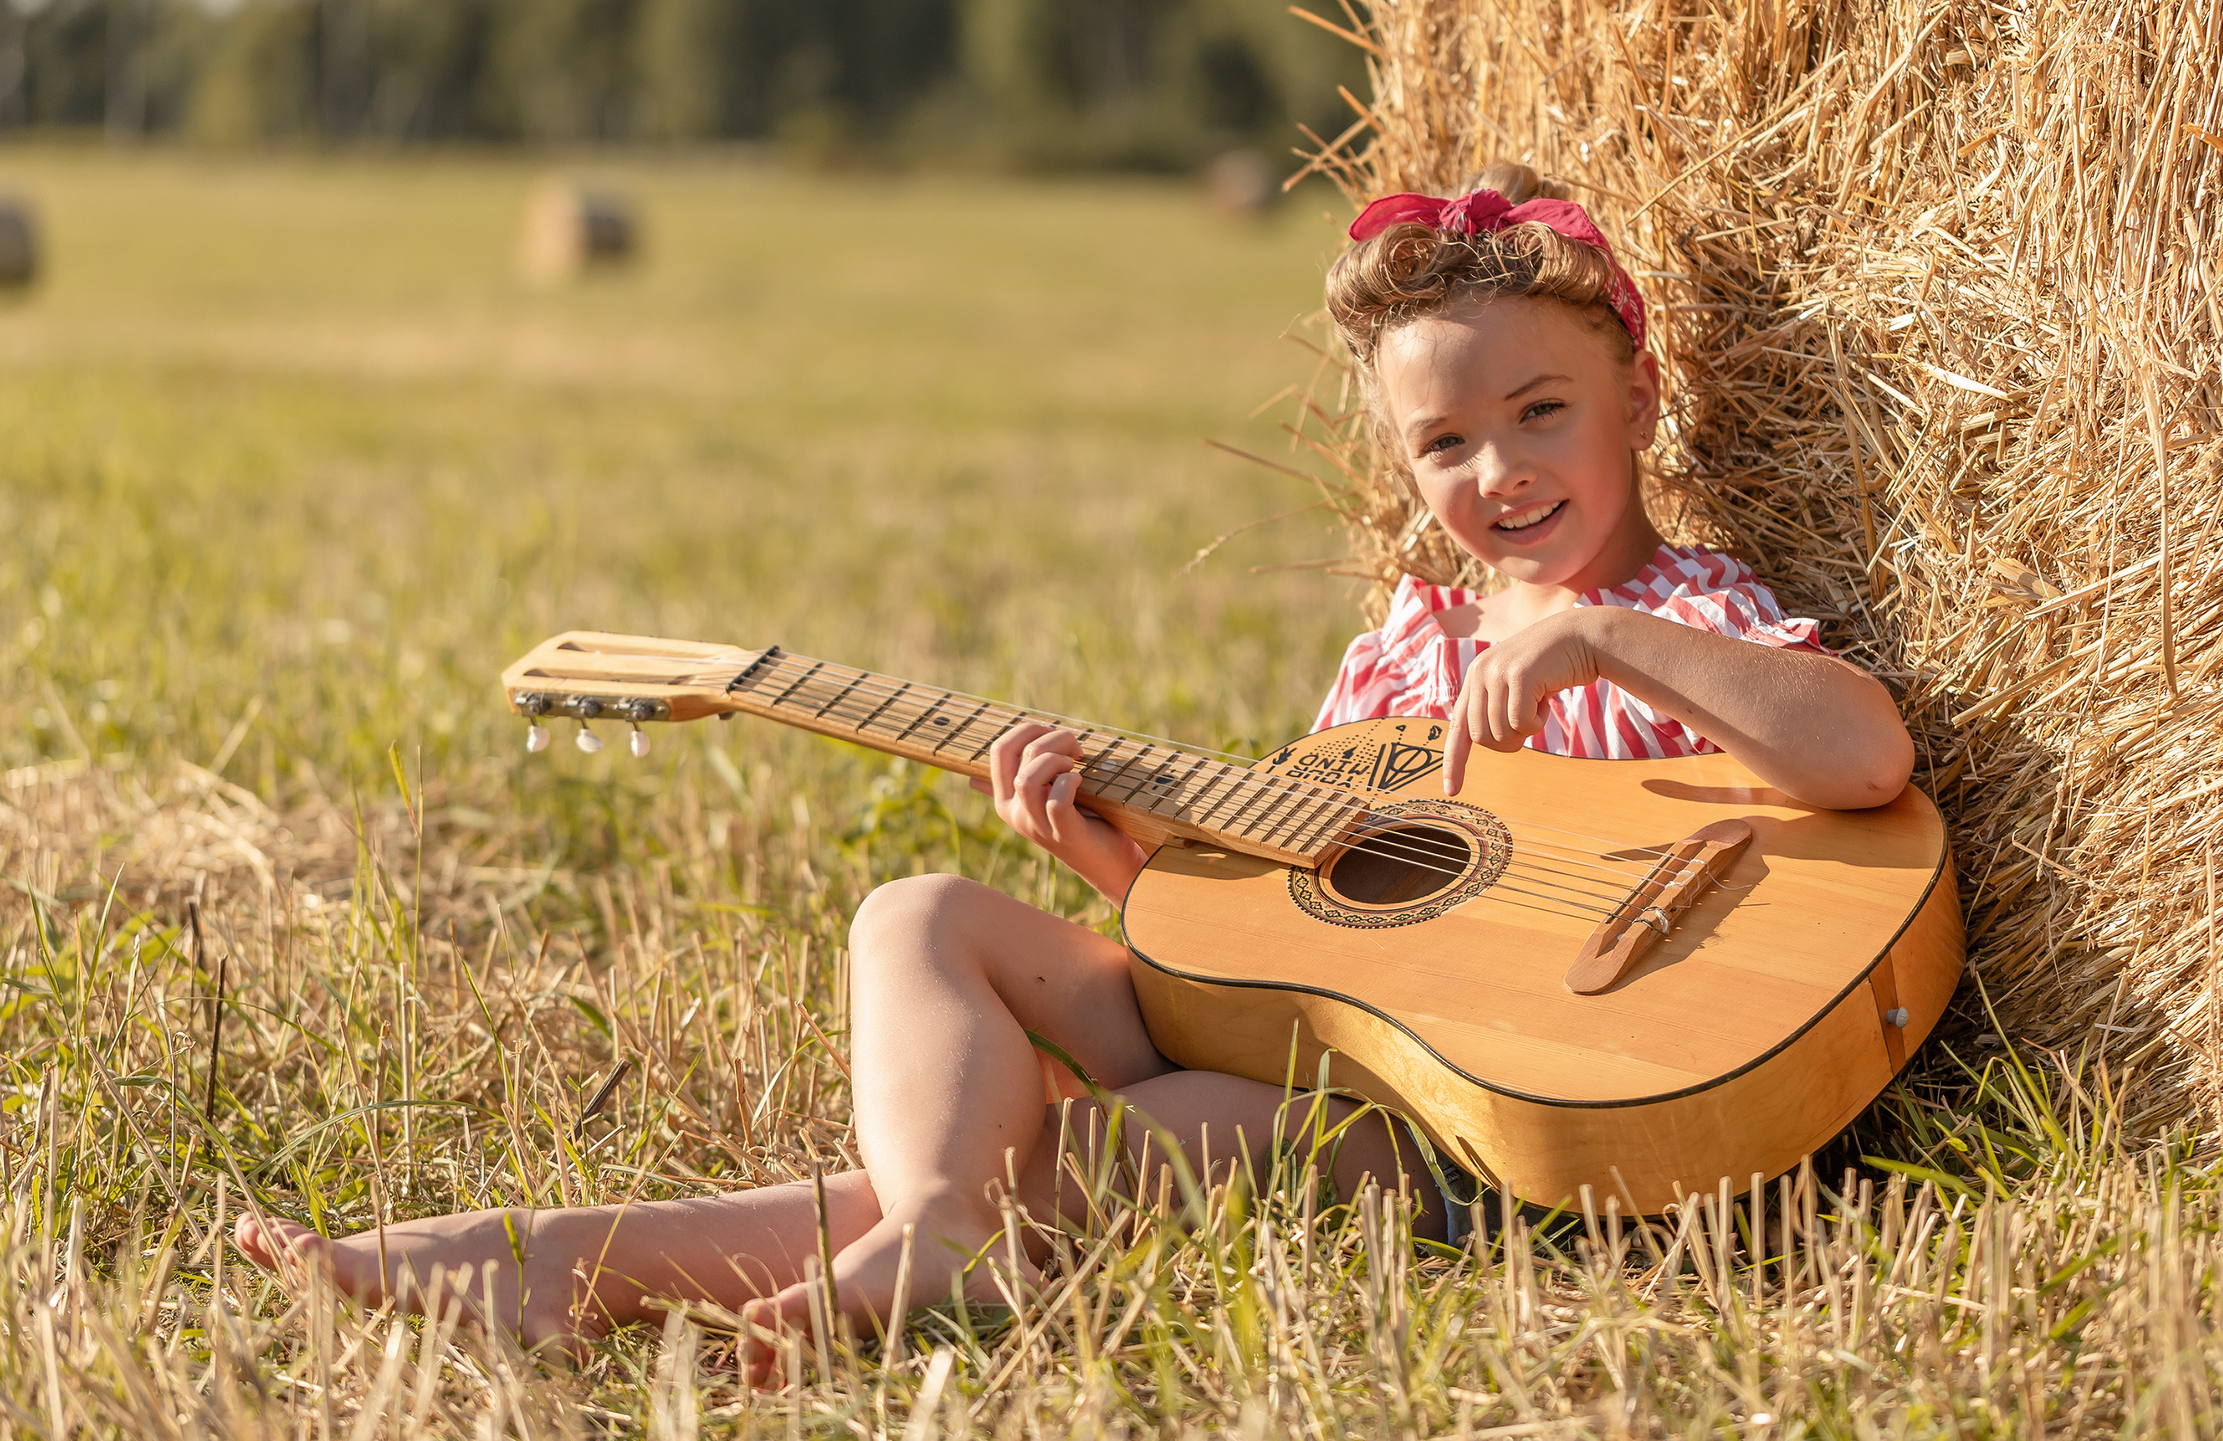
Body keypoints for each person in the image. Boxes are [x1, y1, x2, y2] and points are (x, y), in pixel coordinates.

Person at [234, 161, 1912, 1384]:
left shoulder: (1688, 611)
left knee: (1082, 1160)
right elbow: (1313, 942)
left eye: (1540, 413)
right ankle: (889, 1243)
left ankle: (561, 1265)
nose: (1500, 470)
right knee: (921, 913)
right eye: (1446, 444)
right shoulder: (1402, 650)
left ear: (1640, 393)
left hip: (1497, 1119)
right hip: (1345, 1044)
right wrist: (1118, 860)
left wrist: (1601, 642)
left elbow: (1868, 756)